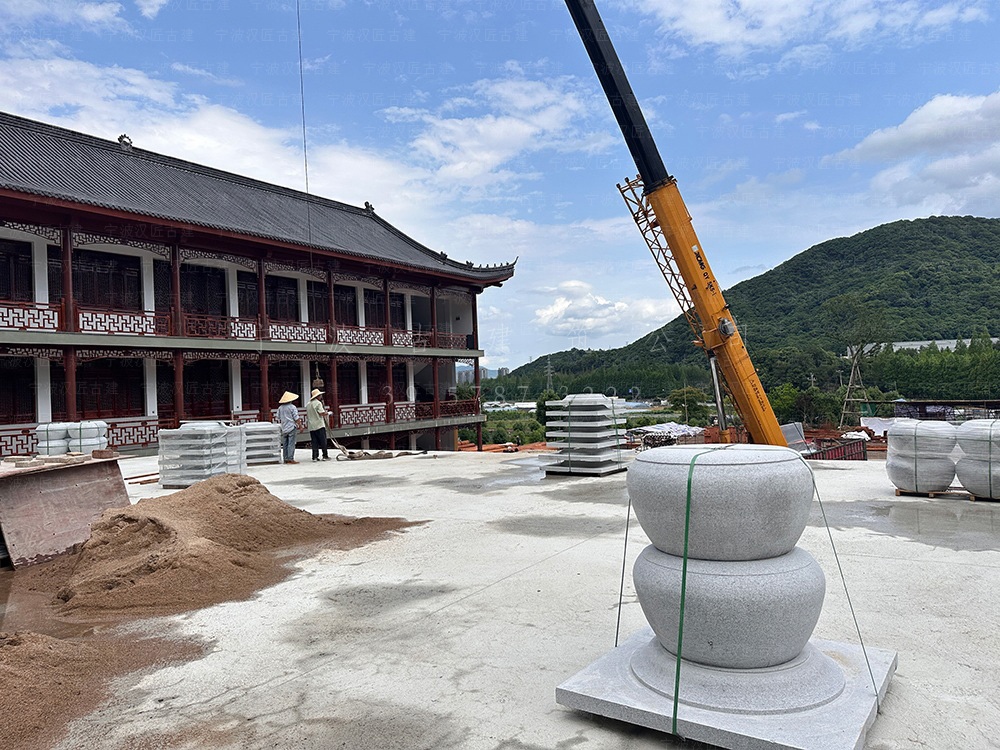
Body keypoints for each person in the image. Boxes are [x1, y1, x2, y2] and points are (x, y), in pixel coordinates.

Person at [306, 388, 330, 461]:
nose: (321, 396)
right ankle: (325, 455)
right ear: (317, 396)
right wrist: (328, 413)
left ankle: (315, 456)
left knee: (314, 442)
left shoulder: (308, 404)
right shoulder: (318, 403)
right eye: (320, 395)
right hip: (319, 424)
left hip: (311, 425)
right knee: (323, 441)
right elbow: (321, 413)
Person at [276, 391, 300, 464]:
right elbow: (296, 418)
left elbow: (278, 417)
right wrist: (300, 426)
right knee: (291, 444)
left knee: (285, 444)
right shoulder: (292, 407)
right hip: (291, 427)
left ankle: (285, 458)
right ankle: (290, 458)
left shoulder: (280, 408)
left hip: (284, 427)